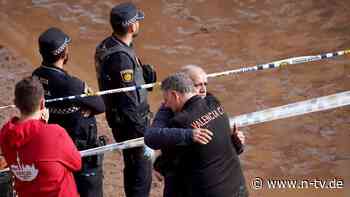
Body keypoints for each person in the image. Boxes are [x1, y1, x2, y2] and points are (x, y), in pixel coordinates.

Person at [32, 27, 105, 197]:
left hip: (51, 148)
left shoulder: (35, 76)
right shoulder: (72, 84)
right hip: (77, 150)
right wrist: (82, 107)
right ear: (63, 53)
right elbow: (100, 105)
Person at [151, 73, 248, 197]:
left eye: (166, 100)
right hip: (238, 188)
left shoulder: (180, 122)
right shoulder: (213, 103)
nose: (166, 105)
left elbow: (167, 164)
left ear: (175, 95)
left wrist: (156, 164)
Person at [95, 2, 156, 197]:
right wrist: (145, 135)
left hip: (120, 119)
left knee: (133, 168)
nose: (139, 23)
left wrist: (144, 80)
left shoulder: (108, 45)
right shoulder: (121, 58)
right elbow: (128, 102)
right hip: (132, 125)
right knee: (140, 174)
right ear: (131, 26)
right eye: (137, 21)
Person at [0, 76, 81, 197]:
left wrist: (42, 126)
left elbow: (29, 146)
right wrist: (44, 126)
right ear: (42, 103)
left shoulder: (6, 133)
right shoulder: (55, 133)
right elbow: (77, 163)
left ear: (16, 103)